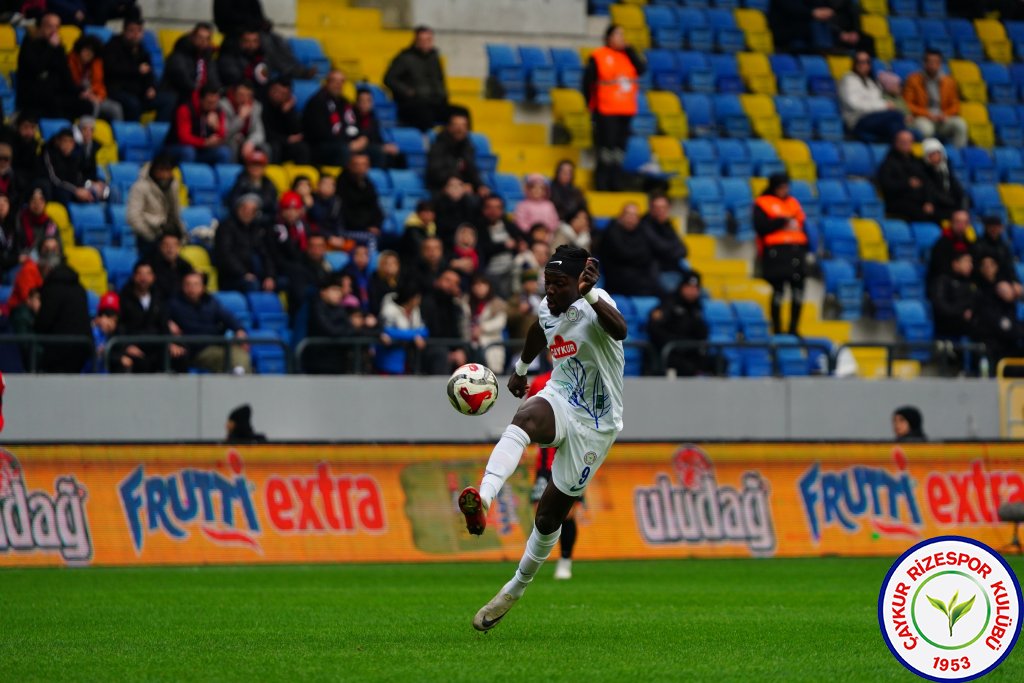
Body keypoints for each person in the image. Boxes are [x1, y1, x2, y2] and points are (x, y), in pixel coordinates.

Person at [459, 246, 627, 632]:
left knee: (548, 516)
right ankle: (483, 497)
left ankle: (514, 589)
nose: (550, 290)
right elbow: (539, 329)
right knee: (525, 418)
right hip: (561, 396)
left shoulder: (594, 303)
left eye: (560, 283)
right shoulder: (548, 308)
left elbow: (620, 330)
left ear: (579, 281)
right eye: (547, 282)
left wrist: (588, 294)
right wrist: (520, 369)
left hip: (598, 424)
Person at [526, 367, 578, 580]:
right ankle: (534, 561)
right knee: (539, 511)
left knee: (569, 512)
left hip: (573, 458)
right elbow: (530, 414)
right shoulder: (540, 382)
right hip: (545, 461)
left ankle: (565, 561)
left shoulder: (580, 377)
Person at [584, 25, 646, 191]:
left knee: (620, 150)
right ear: (608, 37)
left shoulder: (628, 56)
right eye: (618, 34)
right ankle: (602, 183)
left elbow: (641, 69)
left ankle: (616, 183)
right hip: (605, 110)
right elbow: (587, 81)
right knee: (606, 149)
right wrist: (590, 105)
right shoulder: (599, 56)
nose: (622, 37)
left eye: (623, 34)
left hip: (625, 110)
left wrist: (630, 50)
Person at [753, 173, 808, 335]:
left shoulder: (793, 202)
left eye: (786, 186)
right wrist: (781, 222)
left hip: (796, 252)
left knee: (798, 292)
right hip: (777, 255)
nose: (784, 190)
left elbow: (802, 224)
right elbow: (760, 227)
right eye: (781, 187)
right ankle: (777, 328)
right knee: (778, 292)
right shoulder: (763, 203)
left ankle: (793, 328)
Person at [168, 271, 251, 374]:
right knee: (228, 357)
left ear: (202, 287)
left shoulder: (211, 302)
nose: (191, 288)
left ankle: (240, 376)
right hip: (196, 350)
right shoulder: (174, 305)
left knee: (240, 353)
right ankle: (239, 378)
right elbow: (162, 323)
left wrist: (239, 330)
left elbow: (228, 317)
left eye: (195, 284)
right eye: (188, 284)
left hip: (217, 344)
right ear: (182, 287)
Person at [17, 13, 89, 120]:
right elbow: (36, 68)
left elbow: (65, 72)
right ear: (42, 27)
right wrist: (50, 48)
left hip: (54, 93)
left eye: (57, 27)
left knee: (86, 105)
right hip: (34, 93)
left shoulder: (58, 47)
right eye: (50, 26)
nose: (54, 30)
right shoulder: (29, 43)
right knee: (55, 105)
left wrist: (79, 91)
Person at [118, 261, 186, 373]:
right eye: (140, 274)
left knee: (180, 356)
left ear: (153, 277)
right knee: (140, 363)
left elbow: (163, 325)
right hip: (135, 345)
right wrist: (126, 346)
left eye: (147, 274)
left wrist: (171, 343)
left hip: (157, 345)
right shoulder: (124, 299)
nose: (144, 278)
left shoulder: (159, 298)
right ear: (134, 277)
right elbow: (120, 327)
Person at [34, 243, 92, 373]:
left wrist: (36, 311)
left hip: (58, 354)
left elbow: (43, 324)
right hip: (81, 351)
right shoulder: (79, 287)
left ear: (48, 268)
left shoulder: (52, 289)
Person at [306, 273, 379, 374]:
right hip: (319, 365)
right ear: (323, 292)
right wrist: (351, 330)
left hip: (339, 363)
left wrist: (377, 334)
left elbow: (350, 329)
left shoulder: (340, 309)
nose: (338, 294)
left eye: (339, 290)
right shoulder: (316, 308)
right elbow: (331, 331)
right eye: (334, 290)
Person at [383, 26, 448, 131]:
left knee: (460, 114)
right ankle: (427, 144)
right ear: (416, 41)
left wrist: (443, 95)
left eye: (428, 40)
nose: (426, 43)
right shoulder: (404, 58)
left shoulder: (434, 58)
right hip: (412, 104)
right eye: (422, 40)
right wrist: (408, 92)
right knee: (425, 114)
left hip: (435, 102)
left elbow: (440, 80)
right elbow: (389, 79)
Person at [648, 270, 710, 377]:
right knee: (685, 367)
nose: (692, 291)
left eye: (695, 288)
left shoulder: (697, 308)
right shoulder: (669, 304)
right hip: (672, 352)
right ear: (682, 287)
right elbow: (654, 328)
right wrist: (674, 342)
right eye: (689, 287)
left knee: (719, 362)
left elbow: (702, 333)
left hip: (691, 352)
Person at [904, 50, 969, 149]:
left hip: (942, 118)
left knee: (960, 125)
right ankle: (928, 156)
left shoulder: (949, 82)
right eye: (930, 62)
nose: (933, 65)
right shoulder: (913, 80)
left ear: (940, 64)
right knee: (926, 130)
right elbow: (907, 104)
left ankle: (959, 155)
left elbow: (955, 105)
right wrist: (928, 114)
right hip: (922, 117)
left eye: (936, 62)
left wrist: (945, 114)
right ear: (924, 63)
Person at [839, 52, 906, 144]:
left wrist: (883, 105)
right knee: (896, 116)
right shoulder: (848, 79)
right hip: (858, 120)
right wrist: (883, 105)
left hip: (875, 118)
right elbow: (854, 104)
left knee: (896, 126)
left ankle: (902, 143)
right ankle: (902, 143)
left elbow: (877, 101)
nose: (863, 65)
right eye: (860, 62)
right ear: (854, 63)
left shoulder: (871, 82)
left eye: (866, 62)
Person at [158, 22, 221, 120]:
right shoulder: (179, 54)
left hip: (200, 96)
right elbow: (183, 80)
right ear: (192, 37)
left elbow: (213, 79)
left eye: (207, 39)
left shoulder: (208, 57)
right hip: (180, 95)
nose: (203, 41)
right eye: (200, 37)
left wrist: (214, 93)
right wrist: (202, 93)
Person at [126, 154, 186, 256]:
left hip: (167, 233)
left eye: (168, 170)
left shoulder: (172, 186)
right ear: (153, 170)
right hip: (147, 236)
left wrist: (182, 234)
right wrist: (152, 237)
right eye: (161, 170)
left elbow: (175, 213)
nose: (164, 174)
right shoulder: (140, 187)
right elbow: (133, 218)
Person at [215, 193, 275, 293]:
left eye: (252, 210)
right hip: (232, 276)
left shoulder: (257, 229)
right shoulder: (226, 227)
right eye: (245, 208)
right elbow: (225, 255)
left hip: (255, 273)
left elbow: (265, 254)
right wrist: (243, 273)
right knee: (252, 285)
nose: (247, 212)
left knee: (282, 282)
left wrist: (269, 275)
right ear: (238, 208)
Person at [302, 70, 361, 167]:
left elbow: (353, 124)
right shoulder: (318, 101)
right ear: (327, 82)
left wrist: (360, 139)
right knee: (343, 150)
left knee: (374, 151)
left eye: (341, 82)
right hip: (320, 146)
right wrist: (348, 144)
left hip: (343, 142)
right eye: (335, 81)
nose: (338, 85)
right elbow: (320, 132)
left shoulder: (345, 102)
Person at [769, 0, 874, 54]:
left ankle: (872, 76)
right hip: (785, 28)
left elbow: (821, 8)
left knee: (867, 40)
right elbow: (792, 9)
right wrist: (812, 13)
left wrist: (850, 31)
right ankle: (825, 49)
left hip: (811, 24)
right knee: (814, 26)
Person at [598, 202, 659, 296]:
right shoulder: (612, 231)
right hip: (616, 279)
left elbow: (649, 253)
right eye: (628, 214)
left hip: (639, 276)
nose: (631, 218)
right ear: (621, 216)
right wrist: (640, 255)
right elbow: (624, 254)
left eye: (635, 216)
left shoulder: (641, 231)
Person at [217, 28, 303, 94]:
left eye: (255, 41)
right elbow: (236, 82)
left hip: (260, 98)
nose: (251, 45)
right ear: (240, 42)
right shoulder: (229, 59)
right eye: (247, 41)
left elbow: (266, 80)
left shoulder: (263, 58)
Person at [103, 16, 156, 122]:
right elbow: (111, 69)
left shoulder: (142, 50)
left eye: (139, 31)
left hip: (138, 91)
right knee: (133, 103)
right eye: (132, 31)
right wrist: (136, 70)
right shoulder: (113, 46)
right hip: (117, 90)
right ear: (124, 31)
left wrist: (151, 87)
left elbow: (149, 72)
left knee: (167, 100)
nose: (136, 35)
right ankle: (132, 133)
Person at [973, 254, 1022, 369]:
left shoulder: (1004, 294)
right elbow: (993, 321)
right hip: (991, 340)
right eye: (984, 265)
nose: (988, 268)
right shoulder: (979, 292)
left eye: (991, 265)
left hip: (1008, 340)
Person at [878, 130, 936, 223]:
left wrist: (928, 201)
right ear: (896, 143)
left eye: (909, 141)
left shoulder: (916, 162)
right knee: (923, 215)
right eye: (903, 142)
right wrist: (907, 184)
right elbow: (887, 185)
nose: (906, 144)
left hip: (919, 201)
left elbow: (927, 182)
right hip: (898, 201)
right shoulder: (888, 163)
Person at [420, 268, 469, 374]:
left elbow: (458, 331)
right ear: (437, 281)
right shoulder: (428, 302)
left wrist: (459, 349)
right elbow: (434, 330)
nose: (451, 285)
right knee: (441, 355)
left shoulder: (456, 306)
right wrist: (450, 352)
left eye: (455, 283)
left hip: (451, 346)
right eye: (447, 280)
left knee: (473, 352)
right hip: (431, 346)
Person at [41, 128, 108, 205]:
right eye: (65, 141)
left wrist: (92, 183)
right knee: (64, 196)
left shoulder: (76, 155)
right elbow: (55, 179)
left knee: (104, 192)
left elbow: (82, 175)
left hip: (76, 188)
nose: (68, 145)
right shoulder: (50, 154)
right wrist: (75, 190)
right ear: (58, 142)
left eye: (71, 141)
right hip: (59, 189)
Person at [426, 112, 487, 194]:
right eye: (456, 125)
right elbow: (435, 173)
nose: (460, 129)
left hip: (463, 187)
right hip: (440, 187)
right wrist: (458, 183)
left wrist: (480, 186)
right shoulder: (438, 147)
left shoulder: (468, 147)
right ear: (449, 127)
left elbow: (472, 171)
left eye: (463, 126)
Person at [169, 85, 231, 165]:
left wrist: (217, 127)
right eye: (209, 103)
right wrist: (204, 143)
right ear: (200, 99)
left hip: (202, 150)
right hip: (177, 147)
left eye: (215, 102)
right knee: (189, 152)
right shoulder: (185, 109)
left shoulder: (218, 111)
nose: (212, 106)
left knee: (224, 152)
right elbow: (183, 138)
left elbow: (222, 136)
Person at [376, 282, 429, 374]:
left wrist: (410, 334)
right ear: (410, 298)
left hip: (407, 358)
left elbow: (424, 331)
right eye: (417, 298)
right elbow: (388, 331)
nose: (419, 301)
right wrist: (414, 335)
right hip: (388, 357)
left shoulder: (415, 310)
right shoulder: (390, 309)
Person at [477, 194, 523, 298]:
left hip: (511, 269)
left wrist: (521, 244)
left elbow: (521, 238)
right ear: (484, 210)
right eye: (490, 207)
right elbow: (483, 248)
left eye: (497, 207)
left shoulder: (508, 225)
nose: (493, 211)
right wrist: (504, 246)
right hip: (491, 271)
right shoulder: (479, 227)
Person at [68, 34, 123, 121]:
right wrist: (84, 94)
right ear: (80, 49)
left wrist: (98, 97)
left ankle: (117, 132)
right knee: (92, 105)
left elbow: (99, 85)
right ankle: (88, 132)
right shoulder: (70, 61)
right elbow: (70, 84)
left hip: (93, 96)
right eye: (86, 50)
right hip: (77, 97)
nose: (88, 53)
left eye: (91, 51)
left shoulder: (96, 64)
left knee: (116, 108)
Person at [262, 78, 311, 165]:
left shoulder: (288, 108)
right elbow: (265, 132)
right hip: (269, 142)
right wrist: (287, 139)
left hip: (285, 143)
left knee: (302, 148)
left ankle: (301, 174)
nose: (278, 95)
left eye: (283, 94)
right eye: (276, 91)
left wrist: (288, 113)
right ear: (270, 90)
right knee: (275, 147)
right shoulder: (262, 106)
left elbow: (297, 131)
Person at [972, 216, 1022, 299]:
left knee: (1018, 289)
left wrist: (1015, 282)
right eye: (992, 227)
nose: (994, 230)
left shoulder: (1004, 245)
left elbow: (1009, 267)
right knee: (1004, 290)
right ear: (986, 227)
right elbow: (975, 267)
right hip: (984, 282)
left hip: (1004, 280)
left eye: (997, 227)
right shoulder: (978, 245)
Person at [930, 251, 975, 339]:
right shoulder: (943, 281)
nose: (970, 265)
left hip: (968, 331)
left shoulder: (971, 284)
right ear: (956, 264)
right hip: (947, 332)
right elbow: (941, 308)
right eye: (966, 261)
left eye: (971, 262)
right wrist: (961, 312)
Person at [226, 150, 278, 225]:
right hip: (241, 222)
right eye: (253, 164)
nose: (256, 168)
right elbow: (233, 203)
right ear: (247, 166)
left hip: (263, 222)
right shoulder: (240, 181)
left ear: (264, 167)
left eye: (259, 165)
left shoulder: (269, 184)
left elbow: (273, 207)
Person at [353, 87, 401, 169]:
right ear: (357, 102)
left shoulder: (373, 119)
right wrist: (381, 147)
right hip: (361, 151)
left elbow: (379, 139)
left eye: (369, 101)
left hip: (374, 148)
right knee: (378, 152)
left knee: (398, 154)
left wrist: (387, 146)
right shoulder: (351, 119)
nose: (365, 104)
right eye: (362, 101)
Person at [468, 274, 508, 372]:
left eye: (483, 284)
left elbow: (500, 322)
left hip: (491, 343)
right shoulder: (466, 302)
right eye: (476, 284)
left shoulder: (497, 303)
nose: (479, 287)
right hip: (470, 344)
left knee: (492, 374)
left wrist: (482, 328)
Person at [337, 153, 383, 235]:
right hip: (348, 229)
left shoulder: (368, 183)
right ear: (349, 165)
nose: (361, 168)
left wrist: (376, 225)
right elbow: (344, 211)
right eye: (357, 165)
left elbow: (375, 207)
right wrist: (365, 226)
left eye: (364, 164)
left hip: (368, 228)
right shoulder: (341, 184)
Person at [921, 137, 966, 222]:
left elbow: (956, 188)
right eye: (932, 154)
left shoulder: (946, 169)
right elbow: (930, 190)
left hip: (950, 204)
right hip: (938, 207)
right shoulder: (924, 170)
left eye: (938, 153)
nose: (936, 157)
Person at [220, 82, 266, 163]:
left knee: (265, 147)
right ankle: (232, 172)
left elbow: (259, 132)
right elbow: (225, 133)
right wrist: (240, 118)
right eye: (241, 95)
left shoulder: (256, 107)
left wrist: (250, 142)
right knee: (232, 145)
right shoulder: (224, 106)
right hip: (229, 141)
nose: (245, 99)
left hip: (246, 141)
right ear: (234, 94)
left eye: (249, 96)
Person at [640, 194, 688, 274]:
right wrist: (672, 248)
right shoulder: (644, 224)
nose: (661, 211)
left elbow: (683, 249)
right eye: (657, 208)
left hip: (672, 268)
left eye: (664, 207)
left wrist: (670, 250)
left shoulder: (667, 224)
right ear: (650, 209)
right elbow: (659, 247)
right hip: (654, 273)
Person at [927, 209, 973, 287]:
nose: (961, 226)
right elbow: (937, 268)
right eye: (958, 222)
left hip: (963, 284)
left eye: (965, 222)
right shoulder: (942, 243)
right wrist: (957, 268)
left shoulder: (969, 243)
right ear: (951, 222)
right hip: (943, 286)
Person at [144, 233, 194, 303]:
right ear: (160, 247)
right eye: (166, 245)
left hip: (182, 304)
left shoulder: (185, 265)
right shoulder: (150, 265)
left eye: (174, 245)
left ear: (179, 247)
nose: (170, 249)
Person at [435, 176, 479, 249]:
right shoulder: (438, 205)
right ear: (445, 189)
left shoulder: (471, 204)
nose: (455, 188)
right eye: (451, 185)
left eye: (459, 185)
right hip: (447, 245)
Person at [308, 174, 345, 246]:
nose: (328, 187)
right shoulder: (311, 199)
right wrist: (329, 237)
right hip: (315, 235)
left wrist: (339, 236)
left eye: (332, 185)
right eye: (325, 183)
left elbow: (339, 222)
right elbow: (316, 220)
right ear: (318, 185)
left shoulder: (337, 201)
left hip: (333, 236)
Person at [369, 250, 401, 316]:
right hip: (382, 313)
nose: (390, 266)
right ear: (381, 265)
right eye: (386, 263)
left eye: (393, 263)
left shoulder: (402, 278)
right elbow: (375, 302)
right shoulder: (375, 278)